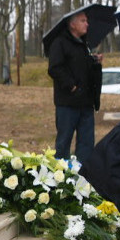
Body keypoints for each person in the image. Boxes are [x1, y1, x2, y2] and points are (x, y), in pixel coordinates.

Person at [47, 12, 102, 165]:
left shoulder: (85, 45)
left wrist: (95, 61)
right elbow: (55, 68)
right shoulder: (60, 43)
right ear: (72, 24)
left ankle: (83, 175)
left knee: (87, 143)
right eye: (83, 20)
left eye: (87, 20)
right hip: (67, 103)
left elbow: (84, 69)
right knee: (64, 142)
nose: (87, 24)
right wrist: (72, 86)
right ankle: (61, 177)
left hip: (86, 103)